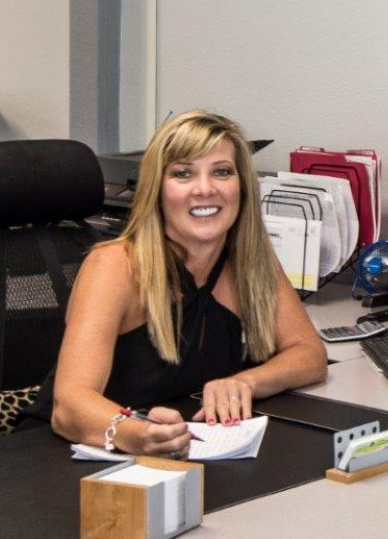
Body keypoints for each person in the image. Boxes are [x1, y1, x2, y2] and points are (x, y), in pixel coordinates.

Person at [49, 109, 327, 458]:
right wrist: (138, 434)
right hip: (82, 457)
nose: (205, 189)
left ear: (242, 185)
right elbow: (68, 407)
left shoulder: (249, 261)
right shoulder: (116, 265)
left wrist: (245, 382)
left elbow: (310, 354)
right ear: (157, 190)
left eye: (222, 172)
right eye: (183, 174)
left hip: (187, 449)